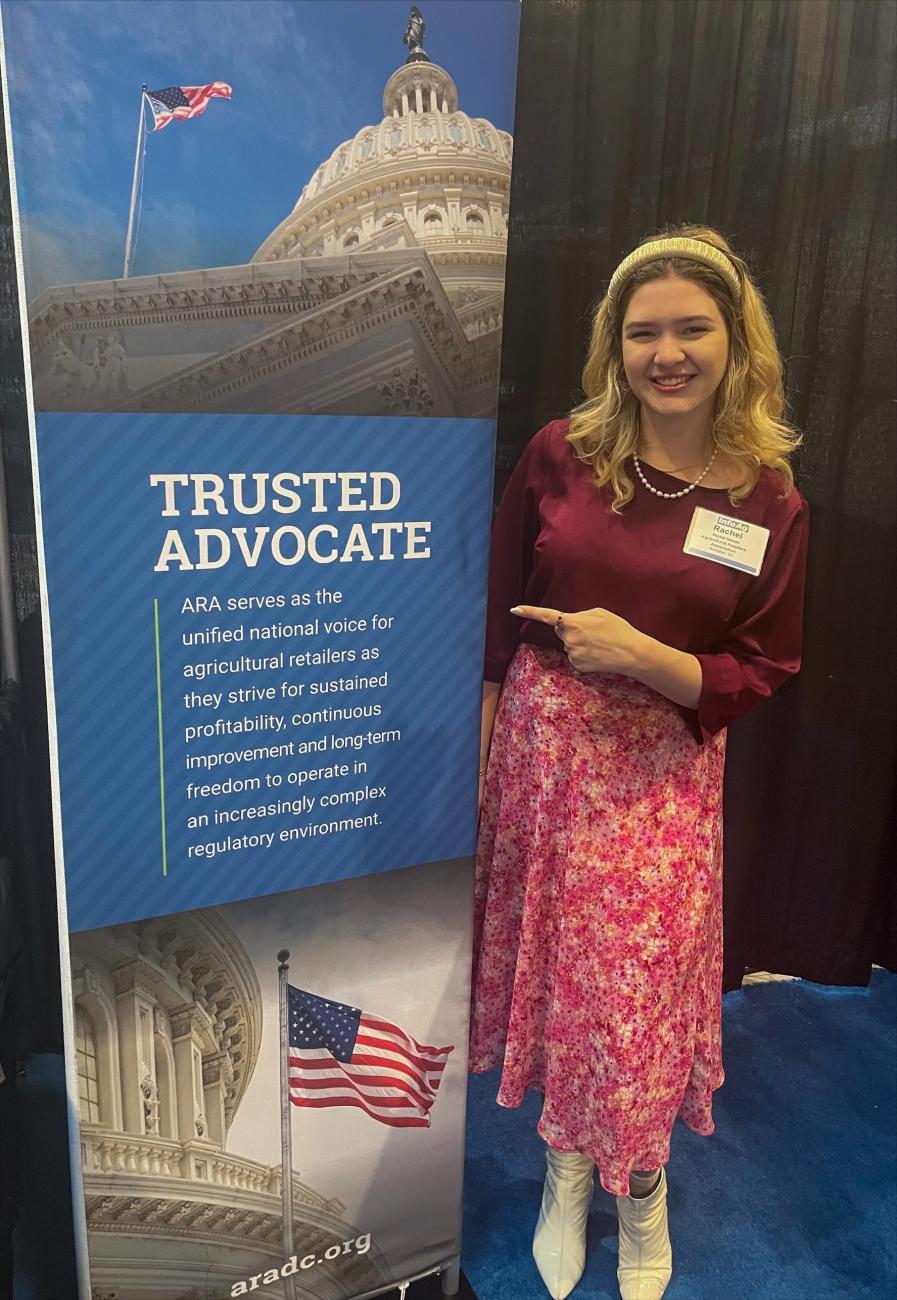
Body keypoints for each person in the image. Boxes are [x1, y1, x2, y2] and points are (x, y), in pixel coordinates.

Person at [469, 224, 810, 1300]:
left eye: (691, 329)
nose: (667, 352)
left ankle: (646, 1183)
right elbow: (493, 610)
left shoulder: (768, 496)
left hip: (660, 773)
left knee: (637, 995)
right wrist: (482, 751)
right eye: (642, 331)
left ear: (734, 339)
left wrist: (650, 657)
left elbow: (768, 661)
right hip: (544, 749)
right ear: (615, 345)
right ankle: (568, 1172)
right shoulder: (561, 451)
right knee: (567, 981)